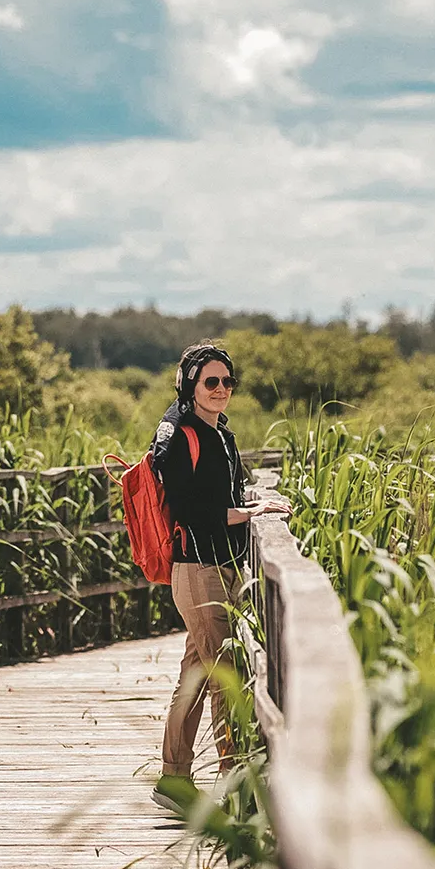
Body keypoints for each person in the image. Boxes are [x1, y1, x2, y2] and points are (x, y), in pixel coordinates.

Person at [151, 342, 289, 813]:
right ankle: (235, 788)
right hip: (198, 568)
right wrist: (252, 510)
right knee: (225, 675)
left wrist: (251, 506)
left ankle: (173, 780)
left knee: (195, 672)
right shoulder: (179, 435)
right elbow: (193, 512)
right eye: (211, 381)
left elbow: (230, 492)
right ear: (190, 384)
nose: (221, 390)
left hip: (223, 565)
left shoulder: (221, 435)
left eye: (228, 382)